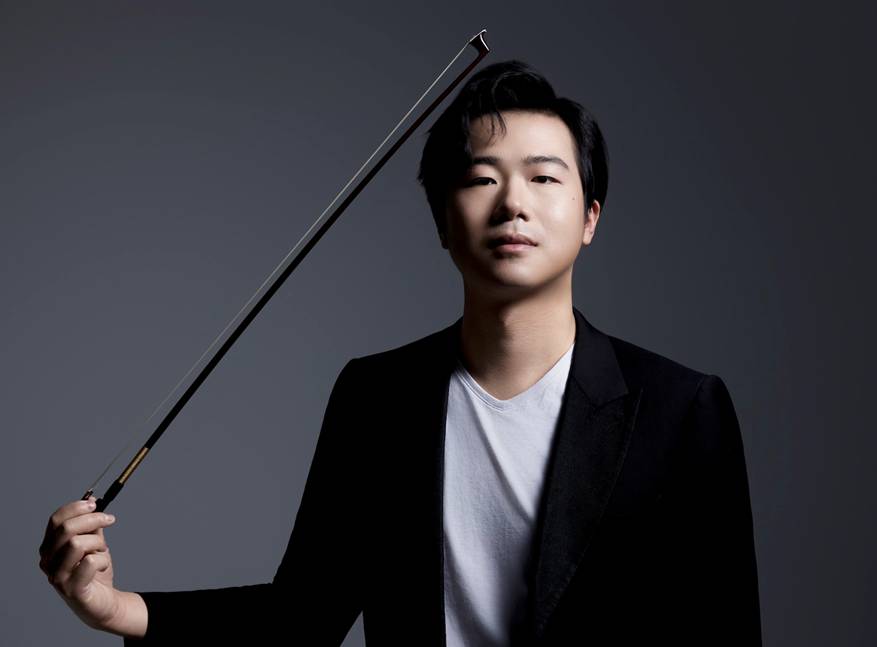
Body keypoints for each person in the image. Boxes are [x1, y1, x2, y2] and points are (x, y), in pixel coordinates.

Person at [39, 60, 762, 645]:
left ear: (589, 218)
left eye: (545, 177)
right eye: (481, 178)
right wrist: (116, 608)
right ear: (443, 221)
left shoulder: (680, 409)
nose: (513, 202)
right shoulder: (376, 396)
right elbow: (301, 617)